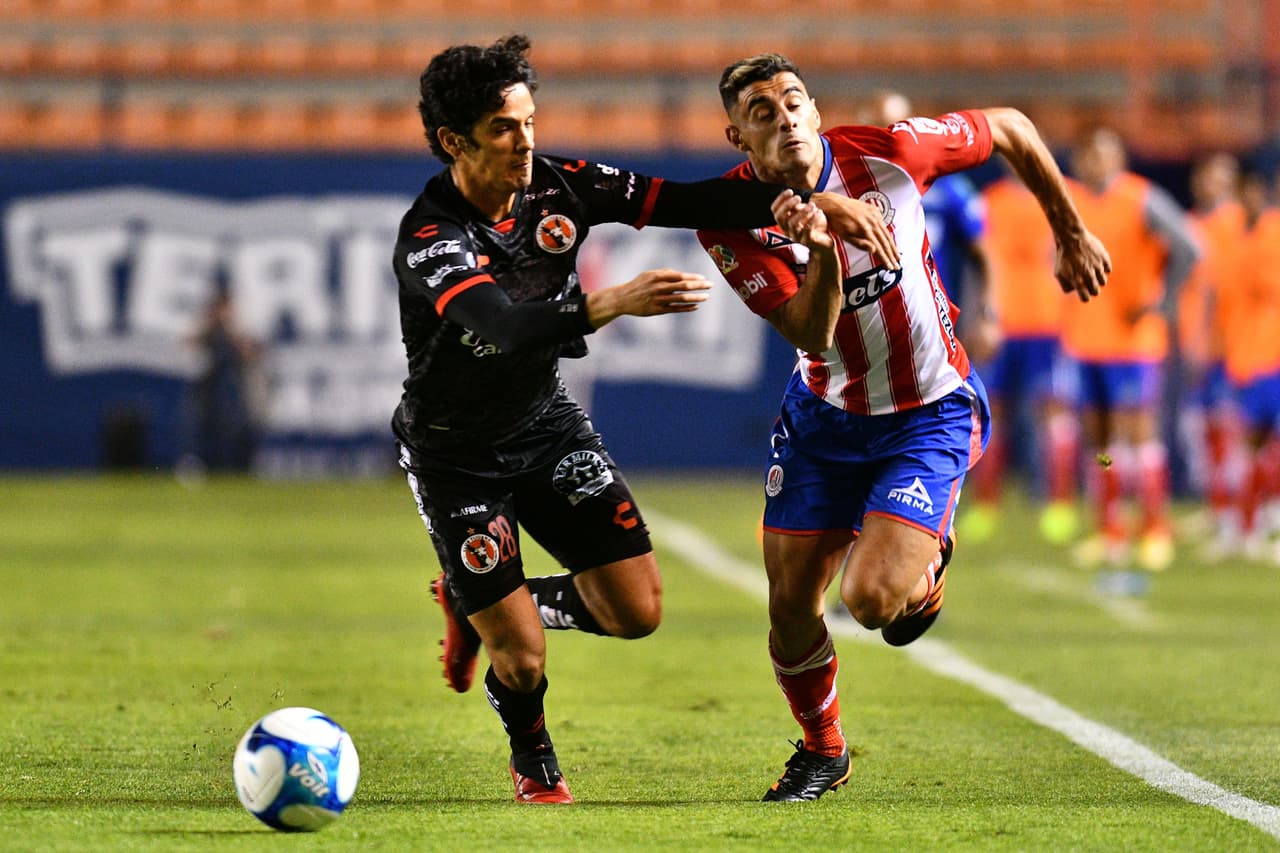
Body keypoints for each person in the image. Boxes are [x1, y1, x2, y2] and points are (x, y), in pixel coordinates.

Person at [392, 35, 893, 805]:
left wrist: (819, 203)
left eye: (529, 122)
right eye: (503, 129)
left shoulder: (561, 185)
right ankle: (535, 758)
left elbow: (691, 201)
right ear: (455, 142)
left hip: (545, 427)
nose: (525, 142)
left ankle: (476, 599)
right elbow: (500, 323)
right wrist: (612, 302)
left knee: (637, 610)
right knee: (520, 658)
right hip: (455, 456)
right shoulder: (431, 237)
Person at [695, 53, 1109, 802]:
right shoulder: (726, 217)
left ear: (816, 111)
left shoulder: (892, 153)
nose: (785, 118)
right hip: (824, 416)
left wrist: (1070, 230)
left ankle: (923, 566)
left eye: (794, 102)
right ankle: (824, 750)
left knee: (872, 602)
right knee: (789, 606)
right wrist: (824, 239)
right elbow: (810, 333)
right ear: (738, 138)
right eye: (762, 112)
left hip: (929, 410)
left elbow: (1012, 128)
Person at [1062, 126, 1200, 572]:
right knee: (1101, 442)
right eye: (1088, 155)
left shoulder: (1141, 198)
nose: (1095, 163)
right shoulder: (1072, 202)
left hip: (1133, 342)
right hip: (1087, 338)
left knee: (1140, 436)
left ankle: (1155, 528)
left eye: (1103, 154)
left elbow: (1189, 247)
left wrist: (1164, 301)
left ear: (1119, 158)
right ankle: (1111, 531)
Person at [958, 166, 1081, 546]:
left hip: (1049, 322)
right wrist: (975, 316)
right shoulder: (989, 202)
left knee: (1053, 413)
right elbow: (977, 265)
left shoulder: (1062, 196)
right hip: (1001, 322)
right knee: (992, 411)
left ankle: (1059, 503)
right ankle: (986, 504)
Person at [1177, 152, 1248, 557]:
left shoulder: (1242, 223)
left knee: (1234, 429)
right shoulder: (1187, 224)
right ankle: (1218, 507)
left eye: (1222, 178)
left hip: (1234, 344)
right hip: (1196, 343)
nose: (1212, 184)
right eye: (1207, 176)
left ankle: (1244, 513)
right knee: (1202, 430)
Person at [1222, 167, 1280, 563]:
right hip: (1246, 355)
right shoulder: (1237, 235)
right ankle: (1248, 524)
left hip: (1272, 353)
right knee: (1251, 446)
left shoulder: (1272, 232)